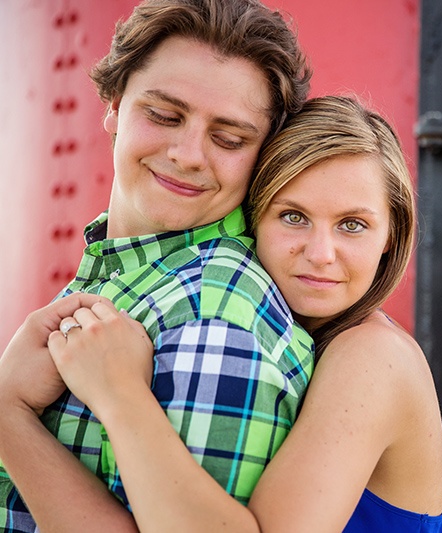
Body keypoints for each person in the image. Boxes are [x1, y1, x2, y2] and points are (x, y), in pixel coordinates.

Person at [47, 95, 442, 532]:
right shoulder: (287, 334)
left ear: (391, 235)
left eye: (352, 225)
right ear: (255, 218)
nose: (320, 254)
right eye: (293, 216)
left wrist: (120, 393)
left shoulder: (374, 357)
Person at [0, 0, 313, 531]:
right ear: (115, 106)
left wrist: (7, 415)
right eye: (164, 115)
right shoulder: (125, 273)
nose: (188, 154)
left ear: (263, 155)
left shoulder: (216, 313)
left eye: (228, 138)